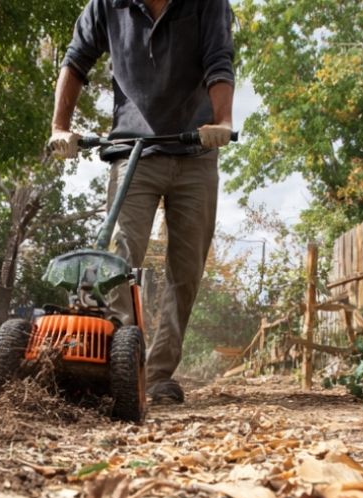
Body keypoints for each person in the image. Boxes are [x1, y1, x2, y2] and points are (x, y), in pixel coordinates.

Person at [50, 0, 234, 405]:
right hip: (131, 148)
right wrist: (60, 127)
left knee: (185, 271)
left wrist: (221, 121)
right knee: (117, 254)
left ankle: (158, 375)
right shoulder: (106, 5)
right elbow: (76, 59)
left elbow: (219, 59)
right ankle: (123, 364)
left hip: (196, 148)